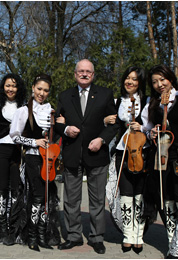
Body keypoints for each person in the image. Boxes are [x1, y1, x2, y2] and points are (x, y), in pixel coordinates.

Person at [54, 59, 118, 254]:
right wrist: (65, 129)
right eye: (80, 71)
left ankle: (97, 237)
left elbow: (114, 124)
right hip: (73, 154)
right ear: (75, 74)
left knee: (97, 200)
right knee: (71, 199)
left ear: (93, 74)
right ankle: (73, 236)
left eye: (88, 71)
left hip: (97, 155)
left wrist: (102, 139)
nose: (84, 74)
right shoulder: (65, 96)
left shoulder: (105, 94)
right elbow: (57, 122)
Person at [143, 65, 178, 258]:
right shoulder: (152, 103)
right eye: (155, 82)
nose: (159, 85)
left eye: (162, 80)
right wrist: (152, 133)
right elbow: (146, 128)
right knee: (166, 201)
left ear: (171, 78)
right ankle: (174, 246)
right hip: (161, 155)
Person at [9, 73, 59, 251]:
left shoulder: (51, 110)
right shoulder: (23, 111)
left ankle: (42, 235)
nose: (42, 93)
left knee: (47, 198)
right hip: (32, 157)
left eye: (46, 90)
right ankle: (31, 236)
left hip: (50, 159)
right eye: (39, 89)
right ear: (33, 88)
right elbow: (14, 136)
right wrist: (34, 142)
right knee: (37, 196)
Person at [104, 67, 148, 254]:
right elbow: (109, 125)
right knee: (126, 193)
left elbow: (155, 123)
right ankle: (127, 234)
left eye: (134, 79)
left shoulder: (147, 101)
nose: (130, 82)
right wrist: (105, 120)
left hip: (142, 151)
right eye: (127, 78)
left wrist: (143, 126)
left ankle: (139, 235)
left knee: (140, 194)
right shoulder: (116, 102)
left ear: (140, 82)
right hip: (122, 151)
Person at [0, 74, 27, 245]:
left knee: (16, 188)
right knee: (1, 189)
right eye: (7, 86)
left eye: (14, 86)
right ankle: (2, 227)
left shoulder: (25, 106)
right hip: (0, 150)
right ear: (2, 87)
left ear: (18, 88)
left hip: (17, 150)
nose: (10, 89)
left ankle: (14, 227)